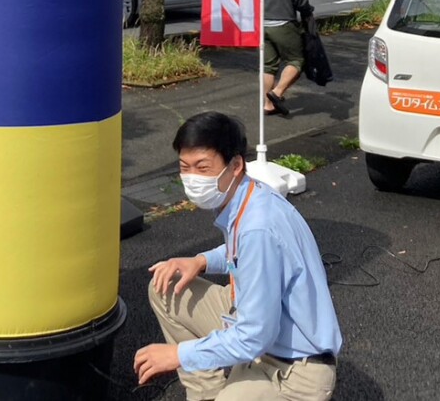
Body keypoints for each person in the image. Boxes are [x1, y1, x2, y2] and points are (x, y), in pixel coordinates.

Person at [134, 112, 342, 399]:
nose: (192, 178)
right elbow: (243, 253)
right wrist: (201, 261)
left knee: (219, 356)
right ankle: (207, 394)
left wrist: (178, 355)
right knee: (166, 287)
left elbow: (255, 334)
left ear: (235, 165)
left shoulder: (258, 227)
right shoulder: (248, 193)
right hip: (262, 340)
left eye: (203, 167)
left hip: (294, 372)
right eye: (185, 167)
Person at [262, 0, 311, 118]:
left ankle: (268, 105)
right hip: (283, 22)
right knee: (296, 60)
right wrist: (306, 13)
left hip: (262, 22)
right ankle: (277, 93)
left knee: (268, 65)